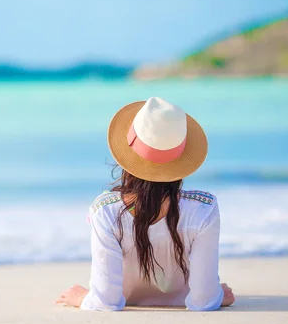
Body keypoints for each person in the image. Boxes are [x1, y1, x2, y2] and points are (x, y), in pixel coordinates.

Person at [56, 97, 235, 311]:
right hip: (183, 301)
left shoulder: (105, 210)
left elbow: (105, 303)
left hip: (126, 301)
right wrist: (215, 295)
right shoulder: (203, 209)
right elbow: (202, 301)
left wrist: (83, 298)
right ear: (182, 158)